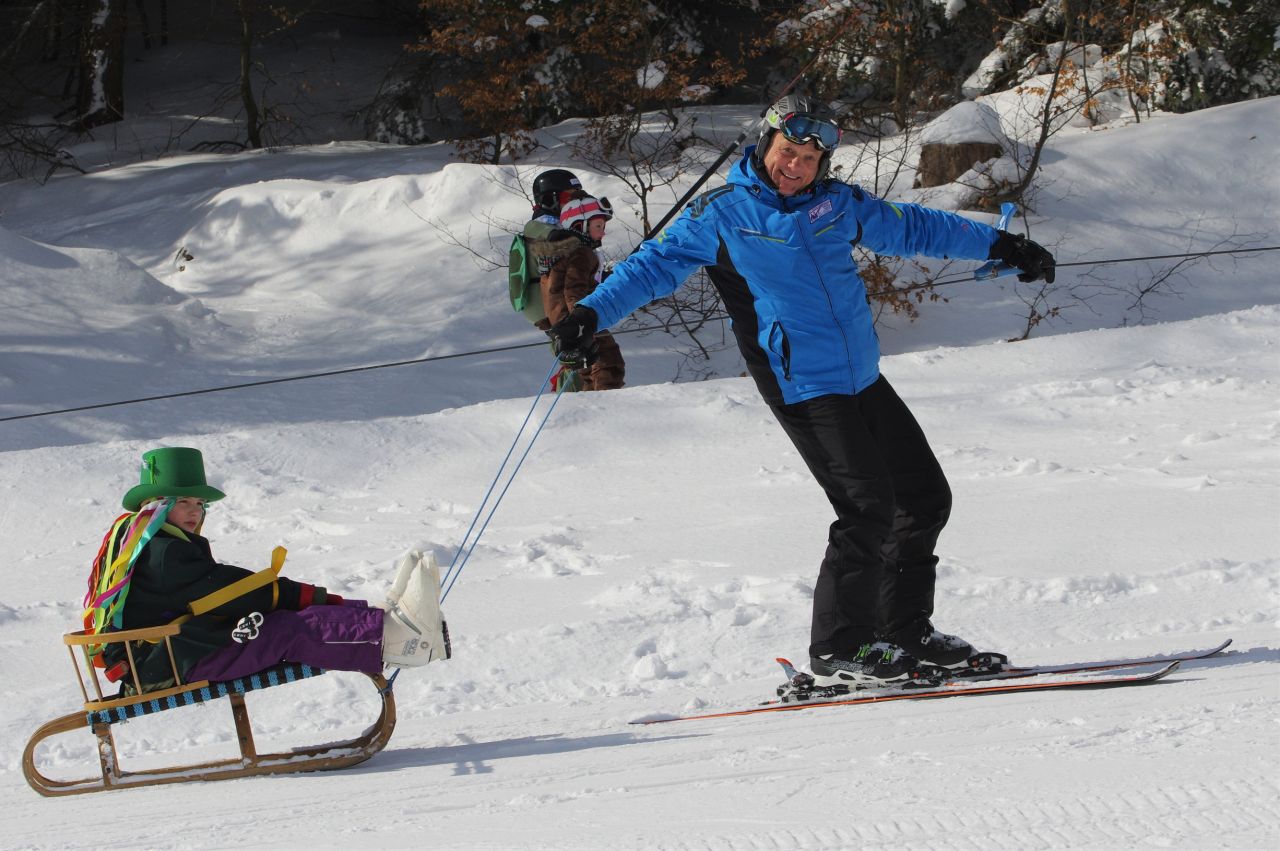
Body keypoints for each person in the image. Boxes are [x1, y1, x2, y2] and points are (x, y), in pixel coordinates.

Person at [548, 95, 1056, 688]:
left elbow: (914, 226)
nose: (796, 166)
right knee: (866, 507)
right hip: (802, 383)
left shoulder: (835, 205)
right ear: (766, 145)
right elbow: (652, 266)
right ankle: (841, 645)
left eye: (810, 159)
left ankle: (903, 631)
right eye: (788, 152)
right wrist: (589, 315)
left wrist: (1001, 245)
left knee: (922, 498)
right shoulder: (723, 213)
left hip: (861, 375)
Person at [85, 446, 449, 691]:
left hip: (172, 654)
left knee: (280, 622)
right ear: (157, 507)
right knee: (286, 630)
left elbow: (220, 592)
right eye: (183, 502)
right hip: (171, 663)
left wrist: (336, 604)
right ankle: (398, 641)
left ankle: (385, 623)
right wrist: (309, 597)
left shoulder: (153, 545)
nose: (195, 511)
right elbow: (230, 591)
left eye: (199, 503)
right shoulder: (164, 553)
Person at [543, 191, 625, 391]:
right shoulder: (582, 253)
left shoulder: (563, 253)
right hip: (578, 320)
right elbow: (573, 290)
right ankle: (609, 401)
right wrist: (581, 321)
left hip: (565, 321)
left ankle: (591, 402)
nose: (603, 233)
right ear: (580, 225)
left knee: (588, 368)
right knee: (609, 361)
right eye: (598, 226)